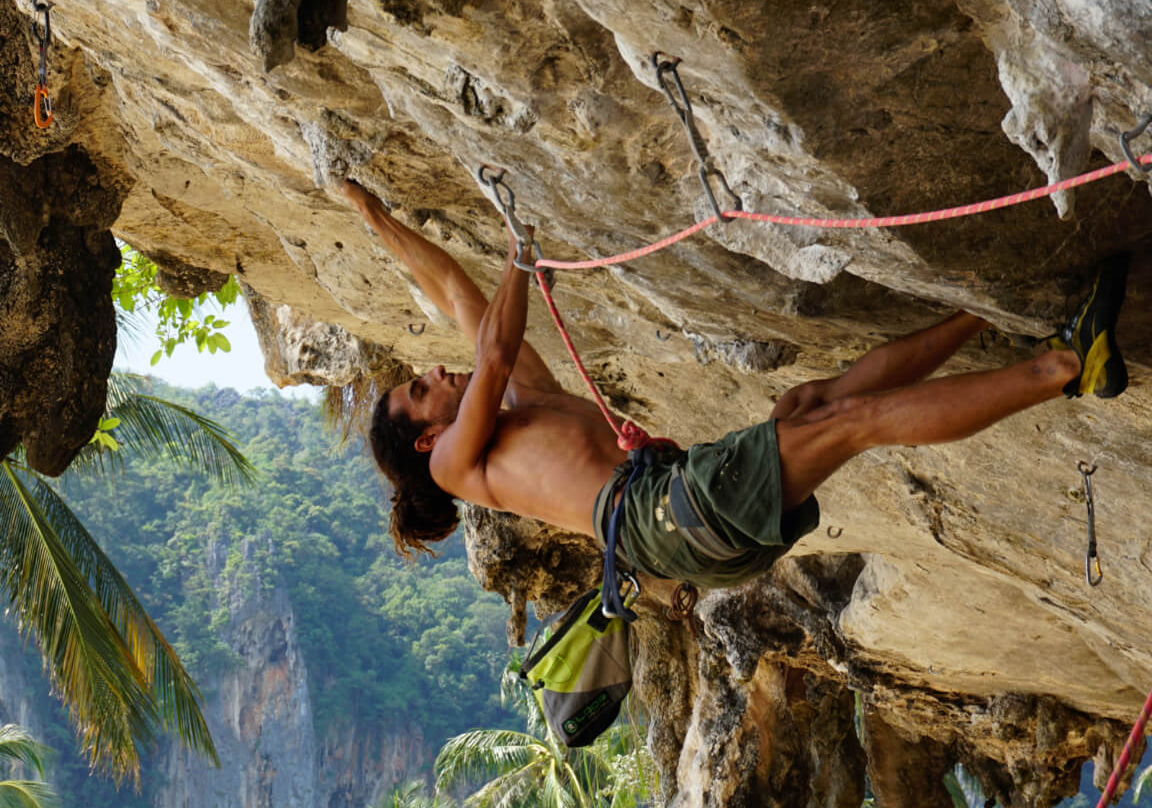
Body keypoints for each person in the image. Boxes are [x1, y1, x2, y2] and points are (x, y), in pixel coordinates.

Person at [345, 178, 1131, 590]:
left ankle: (982, 315)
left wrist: (375, 219)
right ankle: (1063, 365)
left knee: (814, 404)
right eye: (420, 391)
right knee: (850, 422)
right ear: (424, 436)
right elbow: (493, 346)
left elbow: (456, 296)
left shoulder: (525, 407)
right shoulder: (457, 465)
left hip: (676, 511)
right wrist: (521, 252)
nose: (433, 375)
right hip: (663, 519)